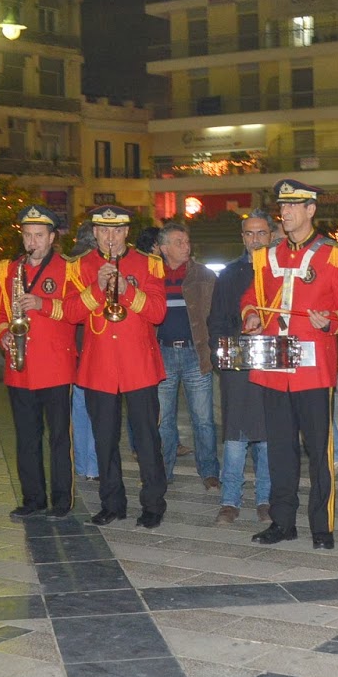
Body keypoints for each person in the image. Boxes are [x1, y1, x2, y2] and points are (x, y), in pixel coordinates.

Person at [241, 179, 338, 549]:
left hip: (314, 369)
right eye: (283, 206)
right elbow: (252, 296)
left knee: (319, 452)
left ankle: (322, 527)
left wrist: (332, 321)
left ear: (311, 210)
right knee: (279, 449)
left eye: (294, 206)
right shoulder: (268, 255)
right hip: (274, 366)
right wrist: (249, 316)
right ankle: (282, 522)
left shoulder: (334, 254)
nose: (286, 212)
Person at [70, 204, 169, 527]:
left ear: (126, 232)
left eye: (116, 231)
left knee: (146, 438)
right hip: (99, 366)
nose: (110, 237)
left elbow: (157, 313)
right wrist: (97, 287)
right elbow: (71, 314)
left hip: (138, 364)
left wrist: (127, 290)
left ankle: (153, 504)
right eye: (103, 231)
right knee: (104, 438)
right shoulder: (81, 266)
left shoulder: (148, 263)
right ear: (95, 232)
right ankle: (112, 503)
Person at [0, 205, 82, 519]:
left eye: (39, 236)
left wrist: (42, 303)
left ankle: (61, 500)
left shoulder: (69, 268)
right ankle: (32, 499)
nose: (32, 242)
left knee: (59, 438)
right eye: (28, 235)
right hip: (20, 368)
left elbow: (76, 311)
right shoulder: (7, 269)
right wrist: (3, 333)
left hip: (56, 367)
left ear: (52, 237)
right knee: (26, 438)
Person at [208, 213, 275, 523]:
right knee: (234, 435)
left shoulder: (282, 270)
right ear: (242, 237)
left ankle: (266, 499)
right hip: (237, 358)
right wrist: (220, 356)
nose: (255, 239)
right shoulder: (230, 274)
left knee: (268, 434)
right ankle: (230, 500)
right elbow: (217, 320)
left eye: (261, 233)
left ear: (271, 235)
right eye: (249, 234)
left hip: (273, 358)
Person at [155, 222, 220, 490]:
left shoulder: (203, 275)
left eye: (187, 241)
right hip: (162, 353)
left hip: (196, 353)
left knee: (203, 418)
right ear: (163, 247)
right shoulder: (152, 275)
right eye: (179, 242)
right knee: (163, 418)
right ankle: (163, 470)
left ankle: (209, 471)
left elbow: (215, 314)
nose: (186, 246)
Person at [67, 224, 100, 484]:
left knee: (79, 409)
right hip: (92, 343)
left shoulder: (67, 264)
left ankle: (82, 464)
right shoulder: (90, 266)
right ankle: (94, 466)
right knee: (96, 409)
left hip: (73, 348)